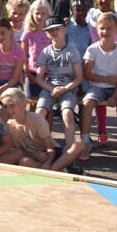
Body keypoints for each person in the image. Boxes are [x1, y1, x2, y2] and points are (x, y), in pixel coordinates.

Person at [81, 12, 117, 160]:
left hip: (116, 88)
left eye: (109, 28)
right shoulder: (92, 49)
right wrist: (105, 78)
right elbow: (87, 74)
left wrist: (115, 96)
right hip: (97, 87)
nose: (105, 32)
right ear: (97, 30)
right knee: (87, 104)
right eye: (102, 28)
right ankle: (85, 141)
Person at [35, 16, 86, 164]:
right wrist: (52, 88)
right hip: (49, 87)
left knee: (67, 114)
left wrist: (64, 89)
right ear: (46, 34)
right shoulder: (45, 52)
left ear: (64, 30)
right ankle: (43, 145)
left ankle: (69, 148)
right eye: (50, 31)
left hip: (68, 88)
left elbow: (78, 78)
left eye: (56, 29)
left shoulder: (72, 51)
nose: (54, 33)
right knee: (39, 114)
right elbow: (39, 78)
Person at [0, 87, 81, 173]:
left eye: (12, 105)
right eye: (5, 106)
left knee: (78, 143)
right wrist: (33, 154)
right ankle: (61, 170)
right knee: (24, 161)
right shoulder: (9, 125)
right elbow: (19, 150)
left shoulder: (37, 119)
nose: (9, 110)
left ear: (24, 104)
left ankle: (52, 170)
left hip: (51, 154)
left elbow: (50, 148)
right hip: (35, 157)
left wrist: (48, 162)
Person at [0, 17, 25, 105]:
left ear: (11, 30)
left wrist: (2, 89)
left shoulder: (19, 51)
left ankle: (6, 118)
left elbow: (15, 79)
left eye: (2, 33)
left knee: (11, 98)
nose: (0, 37)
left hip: (13, 84)